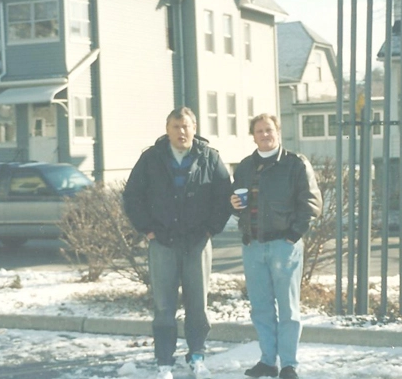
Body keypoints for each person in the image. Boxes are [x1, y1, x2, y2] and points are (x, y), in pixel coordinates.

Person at [123, 107, 232, 379]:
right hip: (162, 242)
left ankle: (197, 356)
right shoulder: (151, 158)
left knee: (198, 305)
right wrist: (147, 230)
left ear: (194, 128)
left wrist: (209, 230)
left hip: (197, 242)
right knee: (164, 306)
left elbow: (223, 197)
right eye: (175, 127)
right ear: (167, 129)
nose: (181, 132)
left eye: (186, 126)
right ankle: (164, 363)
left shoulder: (210, 157)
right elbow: (132, 196)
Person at [230, 113, 322, 379]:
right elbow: (236, 202)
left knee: (288, 308)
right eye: (259, 131)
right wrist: (233, 205)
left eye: (269, 130)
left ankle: (289, 364)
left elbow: (312, 204)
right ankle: (268, 360)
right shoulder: (246, 166)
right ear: (253, 135)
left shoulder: (295, 164)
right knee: (260, 307)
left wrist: (293, 235)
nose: (265, 135)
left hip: (284, 245)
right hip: (253, 246)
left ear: (278, 132)